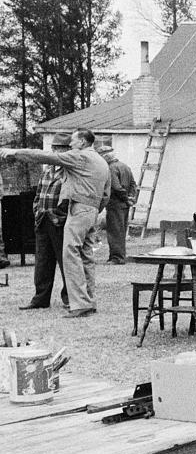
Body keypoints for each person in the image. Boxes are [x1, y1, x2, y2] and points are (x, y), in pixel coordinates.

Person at [0, 128, 110, 318]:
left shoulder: (80, 156)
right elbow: (106, 194)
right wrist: (93, 209)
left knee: (70, 254)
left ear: (83, 142)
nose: (70, 146)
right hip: (91, 210)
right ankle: (88, 300)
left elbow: (43, 156)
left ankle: (80, 303)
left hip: (79, 209)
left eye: (73, 142)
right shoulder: (101, 161)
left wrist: (14, 152)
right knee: (85, 257)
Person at [19, 133, 71, 310]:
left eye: (61, 149)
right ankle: (40, 299)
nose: (56, 152)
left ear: (67, 151)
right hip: (42, 220)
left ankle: (69, 298)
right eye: (55, 148)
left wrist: (60, 214)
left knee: (65, 261)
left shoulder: (70, 171)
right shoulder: (47, 170)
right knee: (42, 262)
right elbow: (38, 194)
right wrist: (37, 211)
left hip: (59, 221)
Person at [96, 146, 135, 265]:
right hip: (124, 204)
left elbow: (116, 187)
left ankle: (117, 258)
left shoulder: (110, 168)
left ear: (105, 156)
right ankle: (120, 256)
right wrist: (131, 198)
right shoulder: (125, 166)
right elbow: (133, 184)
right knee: (121, 231)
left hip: (115, 203)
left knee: (115, 231)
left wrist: (125, 198)